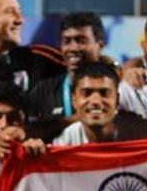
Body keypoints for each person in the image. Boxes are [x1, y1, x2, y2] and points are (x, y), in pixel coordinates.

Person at [26, 11, 106, 139]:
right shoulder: (43, 90)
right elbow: (27, 133)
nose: (73, 48)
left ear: (99, 45)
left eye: (81, 41)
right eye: (67, 41)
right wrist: (74, 120)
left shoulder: (116, 86)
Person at [52, 62, 147, 145]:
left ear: (117, 100)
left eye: (104, 93)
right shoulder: (64, 143)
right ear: (74, 101)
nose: (96, 101)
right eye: (86, 93)